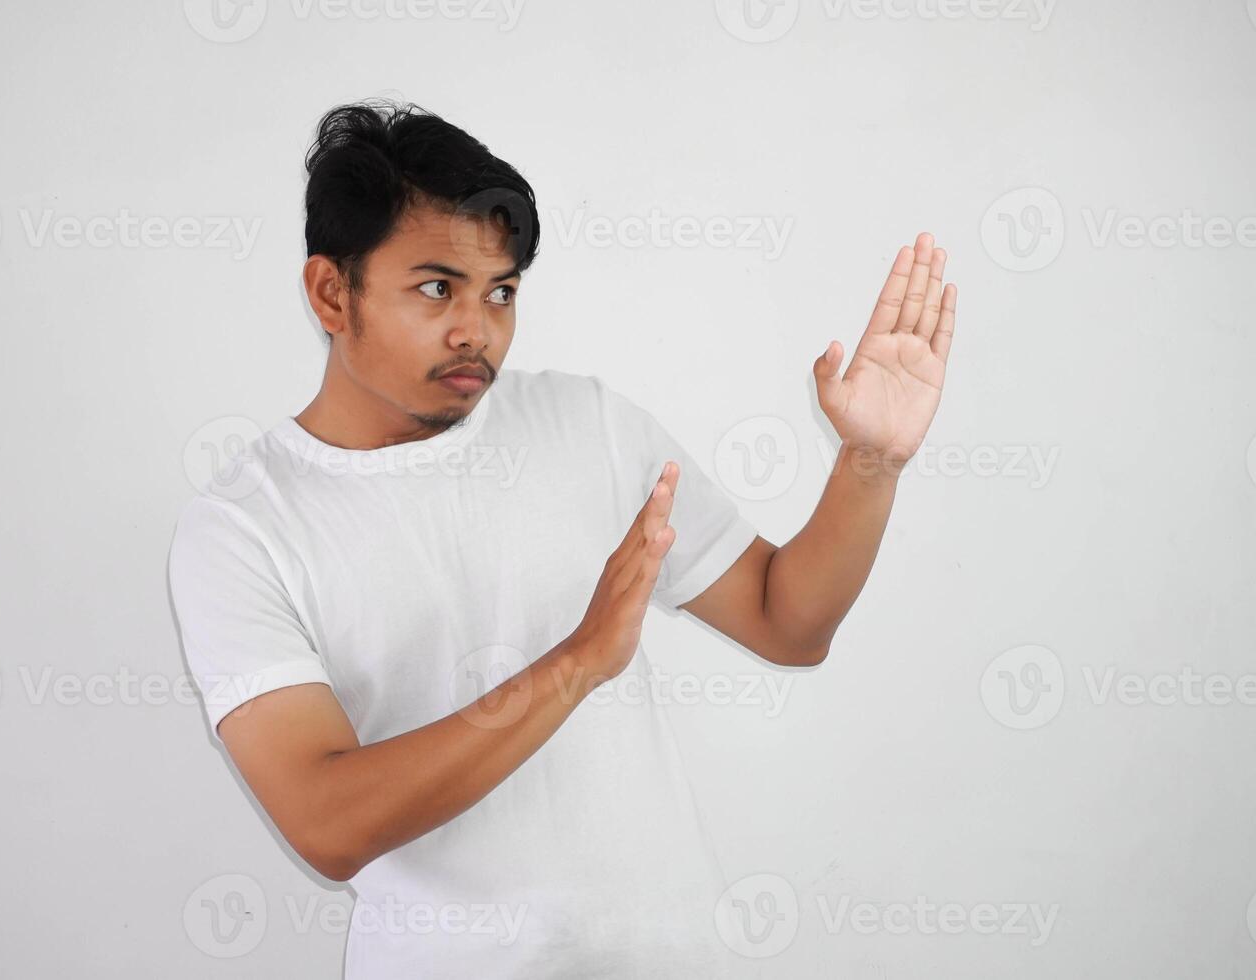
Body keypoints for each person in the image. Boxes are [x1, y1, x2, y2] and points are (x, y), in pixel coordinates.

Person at [168, 99, 960, 978]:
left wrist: (870, 462)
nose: (478, 329)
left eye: (500, 292)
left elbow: (790, 622)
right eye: (437, 288)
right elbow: (326, 823)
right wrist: (579, 660)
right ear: (330, 291)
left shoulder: (586, 422)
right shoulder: (243, 527)